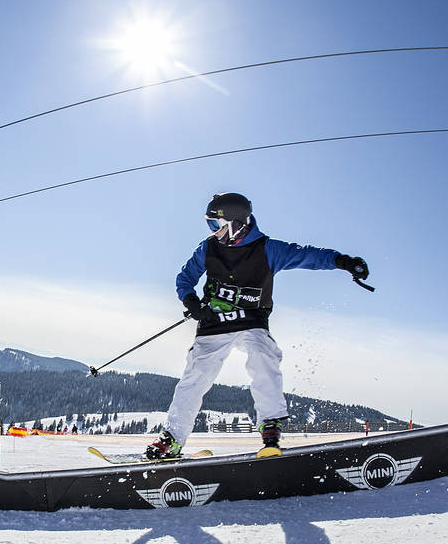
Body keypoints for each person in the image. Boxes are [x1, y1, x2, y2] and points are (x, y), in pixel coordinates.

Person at [145, 192, 368, 460]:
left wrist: (344, 262)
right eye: (209, 225)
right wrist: (191, 301)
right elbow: (185, 278)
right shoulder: (208, 248)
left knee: (263, 357)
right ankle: (172, 439)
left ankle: (270, 428)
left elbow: (308, 255)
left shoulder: (267, 249)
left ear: (236, 224)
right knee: (195, 376)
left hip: (252, 321)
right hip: (214, 323)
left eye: (216, 225)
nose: (213, 231)